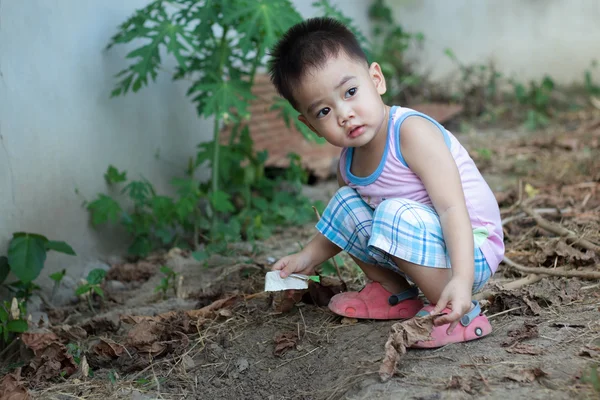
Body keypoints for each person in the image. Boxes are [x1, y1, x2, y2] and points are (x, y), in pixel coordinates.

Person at [267, 17, 504, 347]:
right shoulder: (348, 163)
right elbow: (346, 226)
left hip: (470, 247)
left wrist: (462, 279)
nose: (344, 114)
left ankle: (459, 316)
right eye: (323, 111)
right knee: (346, 203)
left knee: (392, 213)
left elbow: (452, 208)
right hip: (419, 244)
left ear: (376, 79)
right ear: (310, 125)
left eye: (351, 92)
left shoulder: (410, 133)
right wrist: (305, 260)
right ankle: (395, 294)